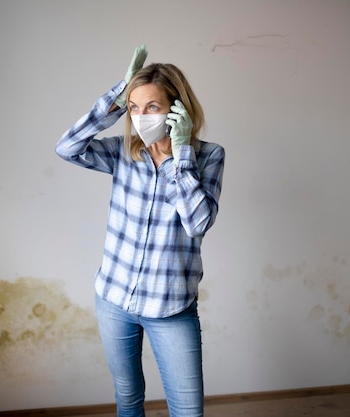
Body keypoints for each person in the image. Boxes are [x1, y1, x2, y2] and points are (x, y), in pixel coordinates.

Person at [55, 45, 225, 417]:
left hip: (171, 306)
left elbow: (197, 222)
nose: (141, 116)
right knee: (128, 399)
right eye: (134, 107)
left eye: (152, 107)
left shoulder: (208, 157)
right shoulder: (123, 152)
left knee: (187, 411)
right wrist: (115, 98)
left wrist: (175, 157)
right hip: (114, 300)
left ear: (177, 109)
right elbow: (66, 148)